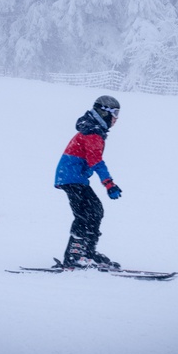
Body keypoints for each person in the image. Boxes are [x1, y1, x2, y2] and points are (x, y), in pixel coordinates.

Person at [54, 95, 123, 269]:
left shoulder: (94, 130)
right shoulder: (93, 133)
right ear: (104, 112)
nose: (116, 118)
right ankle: (74, 256)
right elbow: (96, 161)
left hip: (76, 178)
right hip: (72, 178)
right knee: (84, 215)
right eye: (114, 113)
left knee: (95, 211)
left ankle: (88, 252)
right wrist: (109, 183)